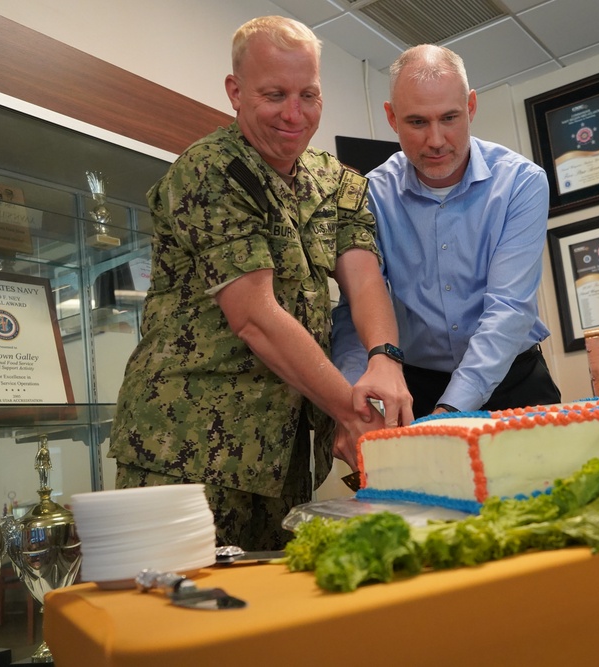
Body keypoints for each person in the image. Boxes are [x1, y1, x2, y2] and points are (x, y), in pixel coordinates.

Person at [109, 16, 412, 551]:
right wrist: (350, 410)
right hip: (186, 447)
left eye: (308, 95)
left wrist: (385, 359)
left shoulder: (336, 181)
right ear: (235, 92)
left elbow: (365, 278)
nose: (295, 114)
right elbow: (255, 317)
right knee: (174, 597)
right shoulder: (211, 170)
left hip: (282, 454)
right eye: (275, 95)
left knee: (272, 599)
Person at [332, 45, 561, 418]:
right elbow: (356, 305)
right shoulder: (370, 196)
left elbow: (509, 308)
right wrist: (355, 406)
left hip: (512, 377)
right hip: (415, 386)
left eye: (449, 118)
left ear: (470, 107)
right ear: (391, 117)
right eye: (417, 122)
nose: (436, 140)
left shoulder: (521, 182)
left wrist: (451, 409)